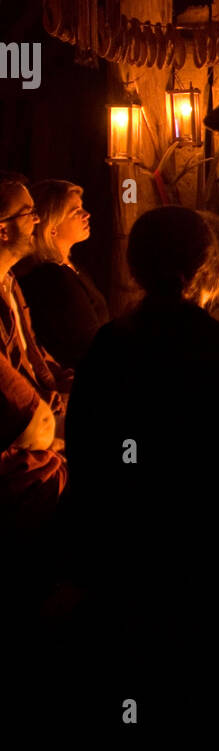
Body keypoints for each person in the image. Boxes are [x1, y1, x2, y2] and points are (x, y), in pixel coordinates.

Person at [64, 206, 219, 633]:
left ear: (137, 266)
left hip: (123, 559)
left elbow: (86, 459)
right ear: (209, 267)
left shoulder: (108, 348)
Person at [0, 173, 68, 568]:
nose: (37, 221)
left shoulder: (10, 283)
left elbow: (35, 356)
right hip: (19, 436)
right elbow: (20, 413)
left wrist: (64, 385)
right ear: (4, 231)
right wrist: (49, 433)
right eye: (29, 214)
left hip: (42, 413)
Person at [15, 180, 109, 368]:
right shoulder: (52, 279)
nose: (87, 215)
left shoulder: (71, 267)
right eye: (75, 212)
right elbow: (85, 345)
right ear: (52, 226)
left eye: (82, 208)